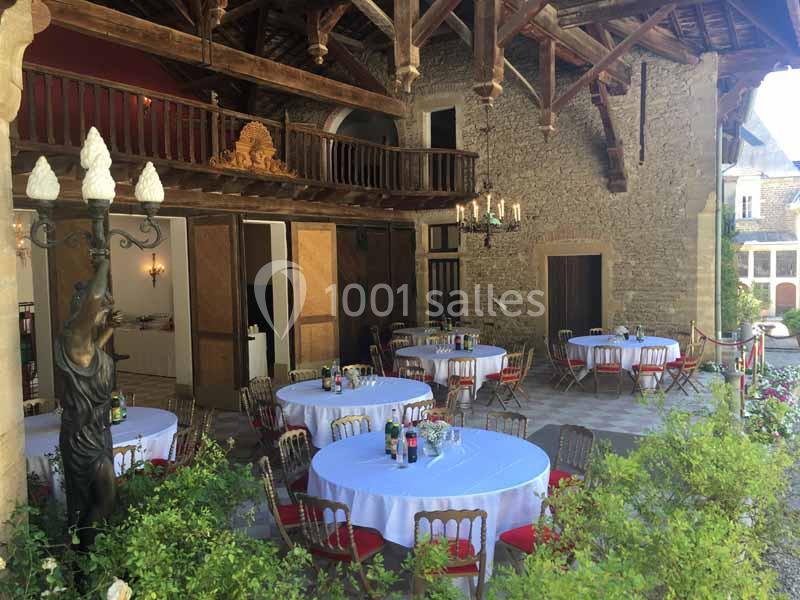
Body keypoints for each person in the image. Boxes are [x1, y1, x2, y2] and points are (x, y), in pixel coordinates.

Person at [54, 257, 122, 549]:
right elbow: (94, 298)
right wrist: (104, 262)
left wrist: (110, 330)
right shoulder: (73, 336)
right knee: (105, 498)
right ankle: (86, 546)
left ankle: (88, 549)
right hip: (83, 437)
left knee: (90, 498)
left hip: (97, 430)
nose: (101, 315)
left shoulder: (84, 347)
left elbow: (93, 354)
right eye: (101, 311)